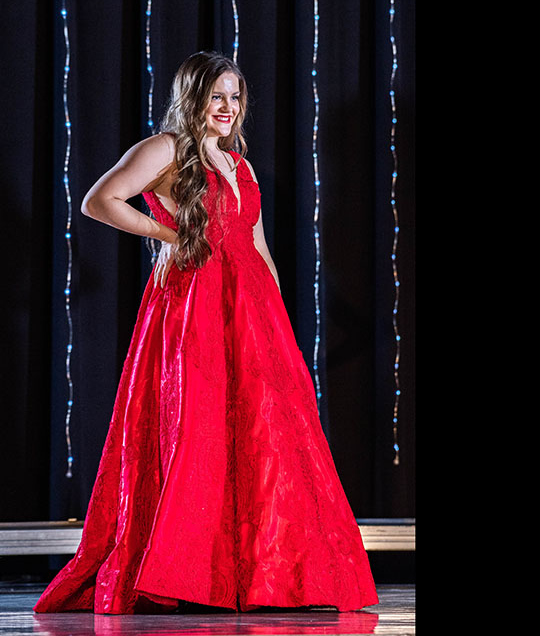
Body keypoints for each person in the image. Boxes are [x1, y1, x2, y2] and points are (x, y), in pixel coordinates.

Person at [33, 51, 378, 615]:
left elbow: (258, 246)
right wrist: (168, 235)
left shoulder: (239, 164)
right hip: (195, 309)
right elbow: (99, 201)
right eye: (217, 95)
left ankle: (263, 577)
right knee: (199, 430)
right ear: (194, 97)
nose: (228, 107)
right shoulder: (167, 149)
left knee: (265, 440)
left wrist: (279, 328)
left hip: (251, 313)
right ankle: (191, 574)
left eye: (235, 97)